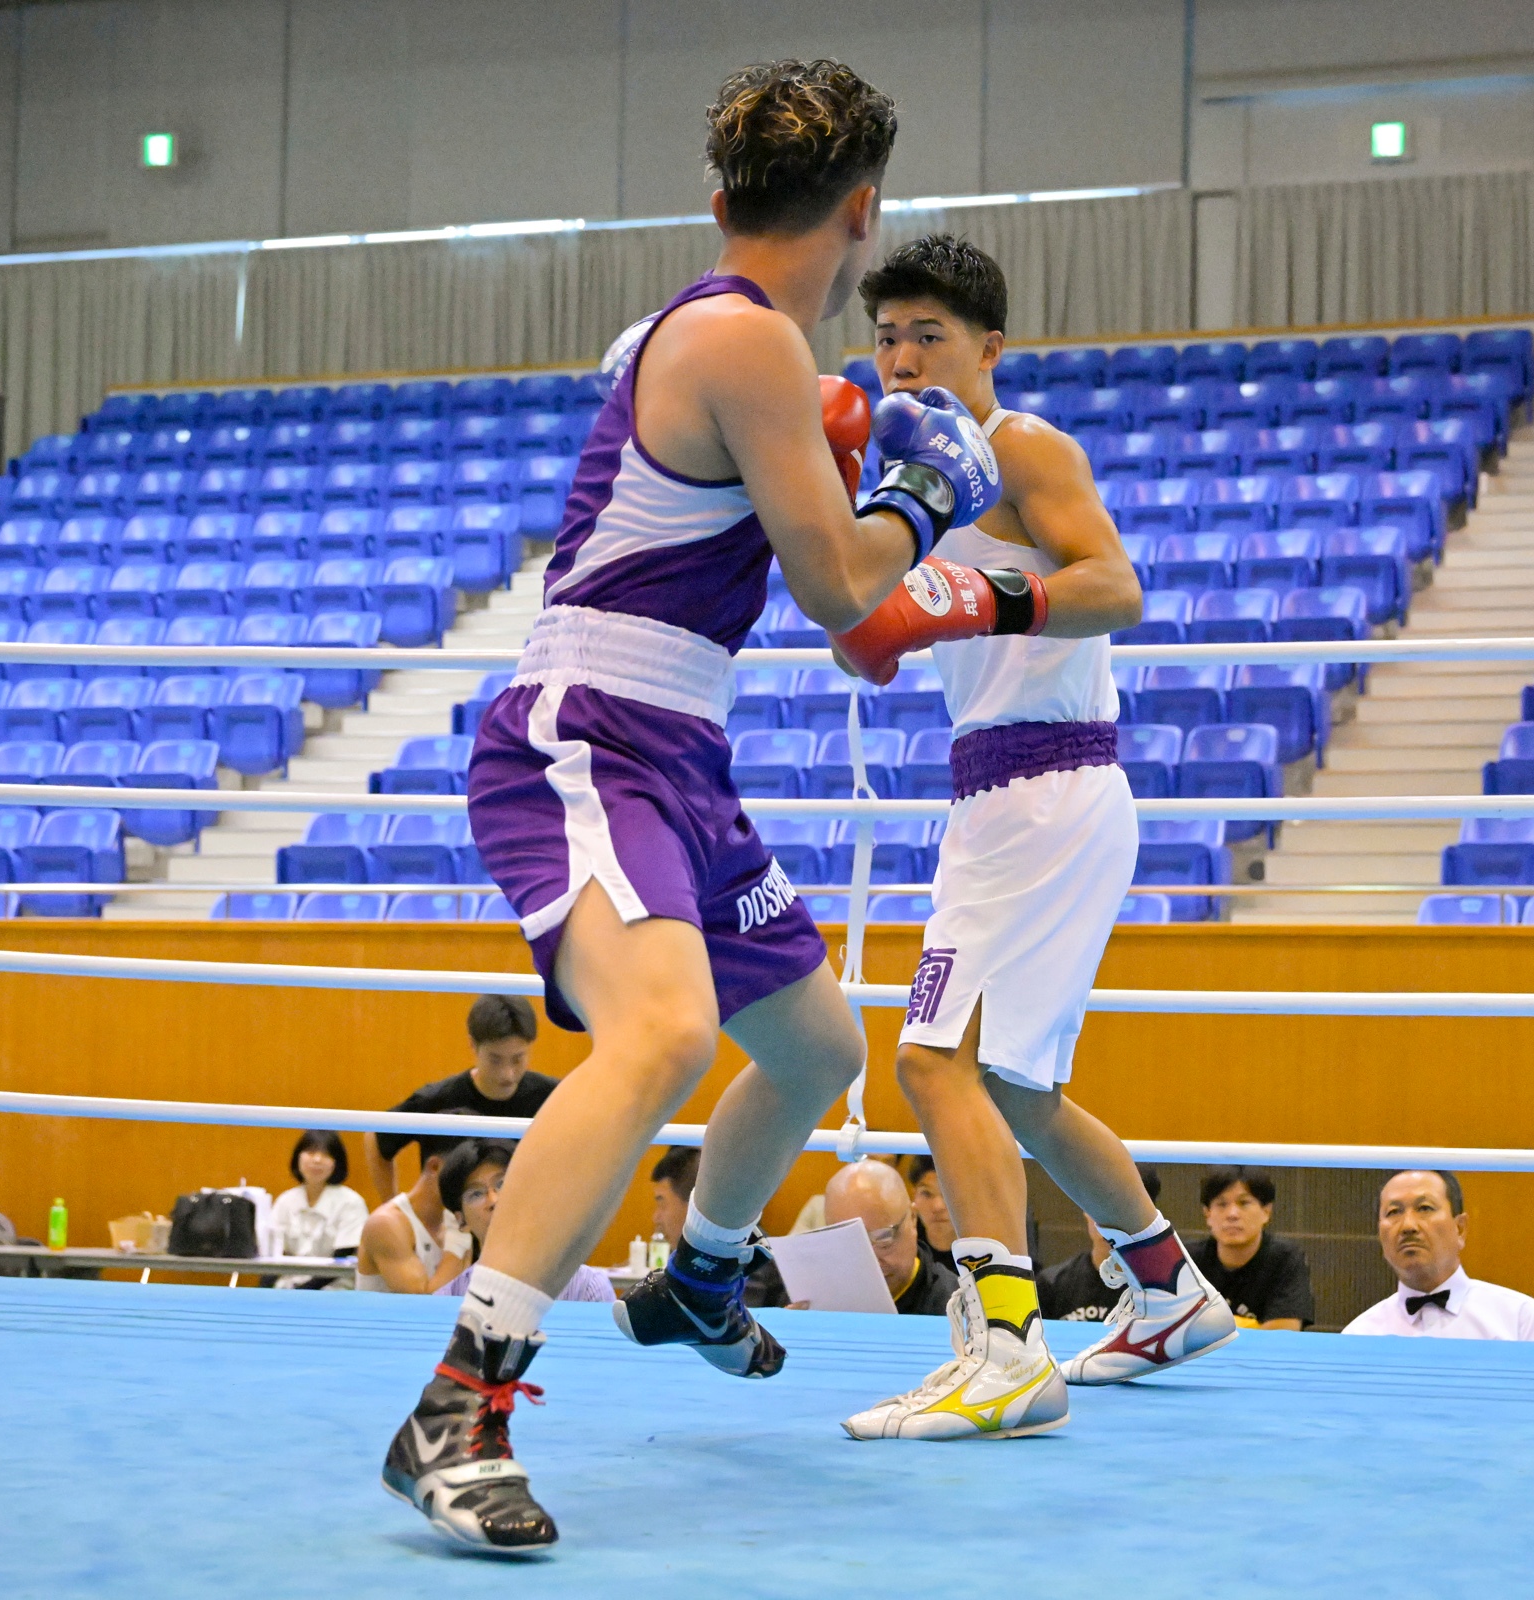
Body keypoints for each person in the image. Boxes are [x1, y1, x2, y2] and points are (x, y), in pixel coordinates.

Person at [382, 59, 1006, 1554]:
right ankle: (460, 1403)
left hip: (678, 751)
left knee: (812, 1045)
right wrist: (924, 497)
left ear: (722, 197)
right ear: (864, 210)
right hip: (591, 733)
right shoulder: (744, 341)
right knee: (661, 1034)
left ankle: (702, 1277)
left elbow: (846, 612)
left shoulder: (745, 344)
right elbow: (844, 589)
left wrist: (885, 491)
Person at [831, 235, 1233, 1444]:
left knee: (930, 1060)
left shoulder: (1022, 448)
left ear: (990, 348)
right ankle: (1167, 1284)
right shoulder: (909, 478)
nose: (904, 359)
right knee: (1014, 1082)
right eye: (888, 337)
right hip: (1007, 794)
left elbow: (1116, 586)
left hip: (1047, 787)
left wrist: (985, 595)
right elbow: (869, 626)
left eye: (930, 336)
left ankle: (1006, 1347)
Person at [363, 997, 557, 1202]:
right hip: (453, 1220)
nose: (507, 1074)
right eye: (495, 1060)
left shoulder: (555, 1096)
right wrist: (395, 1207)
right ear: (472, 1044)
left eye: (518, 1059)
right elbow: (376, 1138)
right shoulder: (436, 1099)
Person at [1341, 1170, 1534, 1341]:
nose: (1408, 1226)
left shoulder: (1521, 1319)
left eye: (1424, 1208)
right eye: (1394, 1212)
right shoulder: (1359, 1336)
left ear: (1460, 1228)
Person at [432, 1140, 613, 1305]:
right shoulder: (446, 1301)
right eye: (476, 1194)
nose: (493, 1200)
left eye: (502, 1184)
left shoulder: (588, 1287)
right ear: (461, 1220)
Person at [647, 1146, 789, 1308]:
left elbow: (728, 1317)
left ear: (694, 1204)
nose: (656, 1217)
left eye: (661, 1202)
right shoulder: (696, 1254)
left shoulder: (749, 1253)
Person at [1188, 1168, 1315, 1331]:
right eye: (1222, 1204)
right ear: (1207, 1214)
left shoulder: (1285, 1259)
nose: (1232, 1214)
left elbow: (1283, 1333)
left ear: (1266, 1212)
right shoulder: (1186, 1259)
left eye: (1244, 1203)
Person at [824, 1158, 956, 1315]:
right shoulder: (819, 1297)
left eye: (883, 1239)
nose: (872, 1261)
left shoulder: (956, 1310)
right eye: (851, 1244)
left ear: (912, 1218)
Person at [1039, 1168, 1165, 1321]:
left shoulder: (1168, 1289)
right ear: (1085, 1211)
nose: (1109, 1224)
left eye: (1122, 1211)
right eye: (1099, 1209)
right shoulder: (1051, 1286)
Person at [354, 1151, 464, 1294]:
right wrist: (458, 1242)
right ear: (435, 1166)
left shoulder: (455, 1220)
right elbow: (422, 1301)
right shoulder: (385, 1223)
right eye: (464, 1176)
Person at [273, 1130, 367, 1290]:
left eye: (326, 1154)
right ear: (298, 1157)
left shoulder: (351, 1202)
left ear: (336, 1162)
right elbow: (273, 1255)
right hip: (288, 1288)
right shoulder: (285, 1201)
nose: (317, 1160)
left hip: (334, 1290)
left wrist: (303, 1292)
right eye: (310, 1152)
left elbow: (342, 1260)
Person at [904, 1155, 957, 1275]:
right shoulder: (902, 1243)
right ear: (913, 1195)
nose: (938, 1206)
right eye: (926, 1193)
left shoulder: (983, 1246)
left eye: (949, 1193)